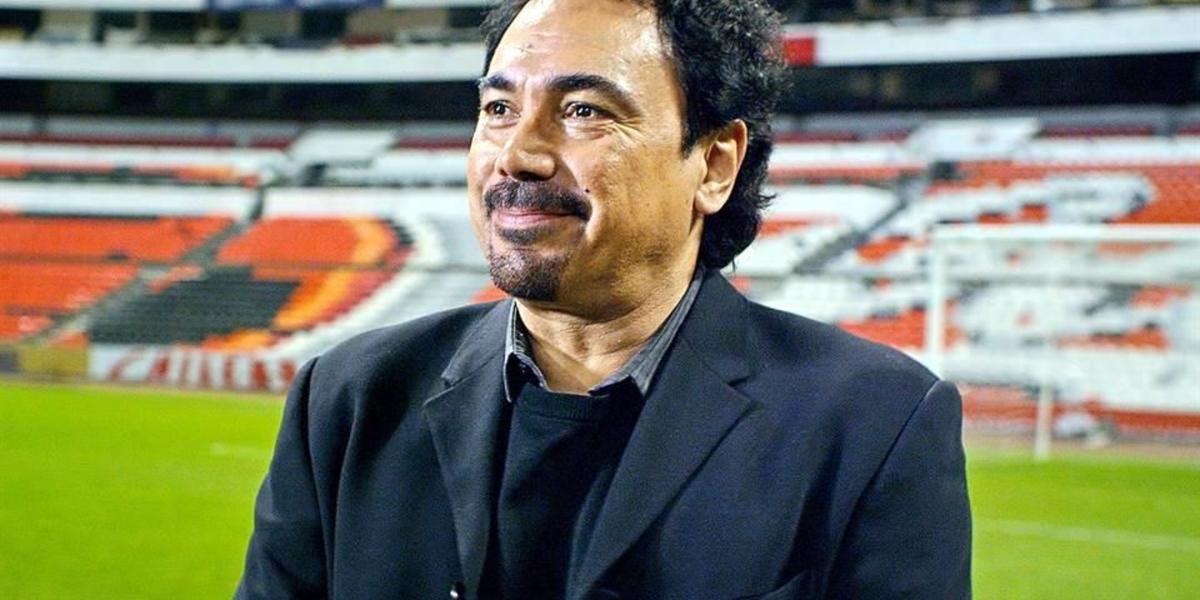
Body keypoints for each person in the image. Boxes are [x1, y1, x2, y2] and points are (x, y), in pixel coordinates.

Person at [235, 0, 972, 598]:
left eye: (584, 110)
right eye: (497, 109)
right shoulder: (348, 398)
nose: (518, 154)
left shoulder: (874, 426)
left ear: (714, 165)